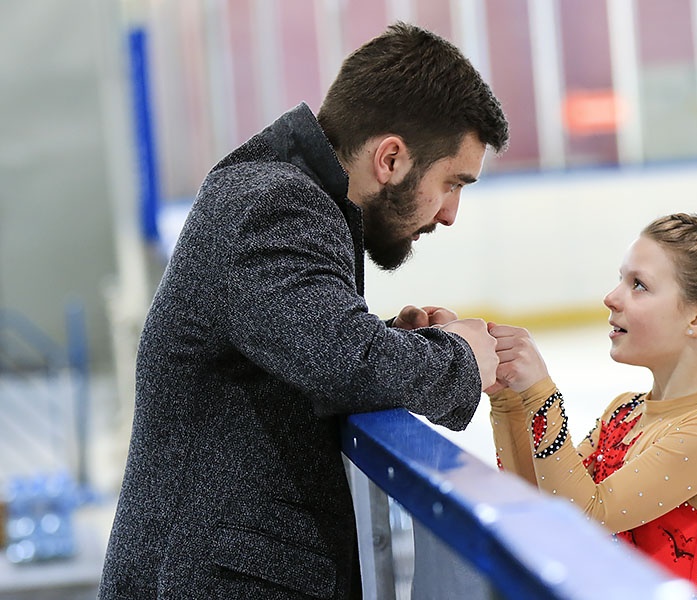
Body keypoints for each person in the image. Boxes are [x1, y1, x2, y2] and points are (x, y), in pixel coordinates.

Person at [99, 22, 508, 599]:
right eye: (452, 182)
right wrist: (459, 358)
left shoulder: (291, 198)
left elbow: (303, 353)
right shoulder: (272, 203)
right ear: (391, 157)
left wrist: (396, 341)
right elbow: (339, 359)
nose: (449, 214)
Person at [487, 192, 697, 599]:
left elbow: (587, 515)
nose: (611, 297)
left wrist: (541, 396)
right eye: (621, 279)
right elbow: (543, 509)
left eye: (639, 285)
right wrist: (507, 397)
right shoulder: (625, 410)